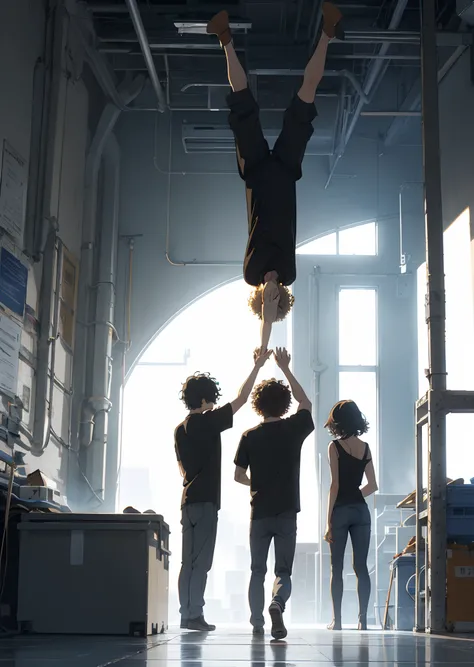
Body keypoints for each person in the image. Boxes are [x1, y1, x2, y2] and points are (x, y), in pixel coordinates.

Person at [207, 4, 344, 352]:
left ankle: (224, 37)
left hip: (255, 172)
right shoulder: (289, 272)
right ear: (281, 294)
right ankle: (327, 34)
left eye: (265, 297)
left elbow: (267, 313)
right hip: (283, 172)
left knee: (242, 104)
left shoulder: (251, 275)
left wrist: (262, 340)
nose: (269, 290)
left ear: (259, 296)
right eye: (275, 296)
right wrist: (267, 340)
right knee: (304, 99)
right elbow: (269, 315)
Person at [175, 349, 271, 632]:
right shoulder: (210, 422)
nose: (214, 401)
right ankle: (195, 615)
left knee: (186, 562)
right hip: (206, 502)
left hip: (187, 500)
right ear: (204, 399)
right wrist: (257, 366)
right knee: (202, 562)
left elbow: (183, 469)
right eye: (212, 397)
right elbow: (242, 399)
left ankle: (185, 613)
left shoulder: (180, 429)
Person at [234, 347, 315, 639]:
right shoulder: (294, 429)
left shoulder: (249, 436)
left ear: (258, 405)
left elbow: (238, 475)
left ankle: (257, 622)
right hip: (287, 512)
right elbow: (305, 401)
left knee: (257, 570)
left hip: (260, 512)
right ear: (284, 405)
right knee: (283, 571)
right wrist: (285, 368)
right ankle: (277, 603)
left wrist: (256, 483)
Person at [324, 400, 378, 631]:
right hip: (361, 511)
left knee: (337, 567)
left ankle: (337, 621)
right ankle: (363, 620)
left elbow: (334, 486)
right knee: (361, 567)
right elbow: (373, 485)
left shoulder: (334, 447)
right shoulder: (365, 447)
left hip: (341, 510)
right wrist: (357, 494)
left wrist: (328, 522)